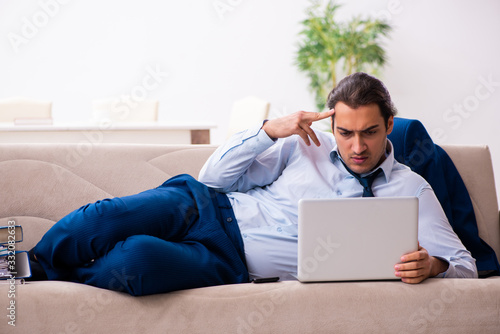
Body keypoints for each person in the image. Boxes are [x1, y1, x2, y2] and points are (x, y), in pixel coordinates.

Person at [29, 72, 477, 296]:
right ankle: (29, 264)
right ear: (332, 126)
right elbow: (213, 179)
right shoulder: (304, 145)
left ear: (390, 125)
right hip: (206, 207)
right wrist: (269, 130)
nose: (357, 146)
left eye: (370, 132)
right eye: (345, 132)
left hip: (231, 262)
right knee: (108, 217)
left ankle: (59, 274)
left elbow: (465, 265)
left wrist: (435, 266)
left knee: (137, 261)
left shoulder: (411, 188)